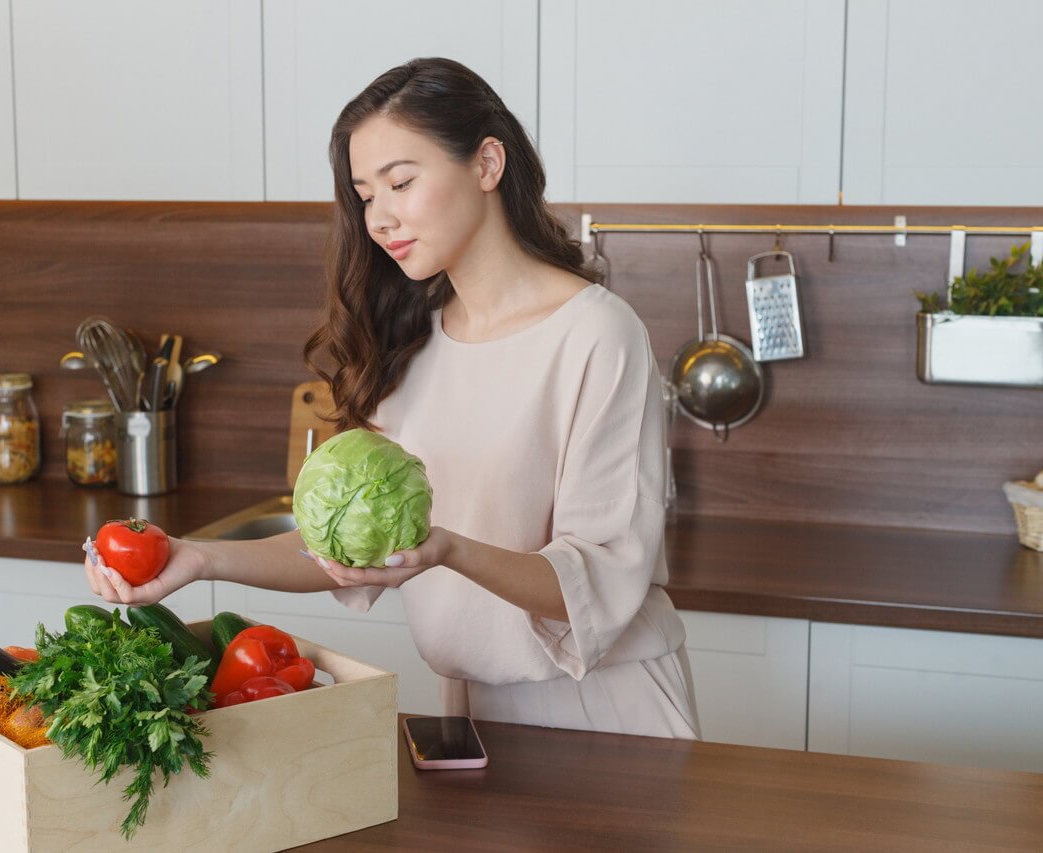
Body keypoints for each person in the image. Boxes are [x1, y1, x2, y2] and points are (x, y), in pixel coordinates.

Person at [85, 57, 700, 739]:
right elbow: (347, 550)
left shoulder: (597, 334)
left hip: (606, 711)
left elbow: (600, 576)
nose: (380, 217)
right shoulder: (409, 342)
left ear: (488, 163)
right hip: (472, 714)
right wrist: (198, 557)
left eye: (401, 182)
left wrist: (447, 550)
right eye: (364, 195)